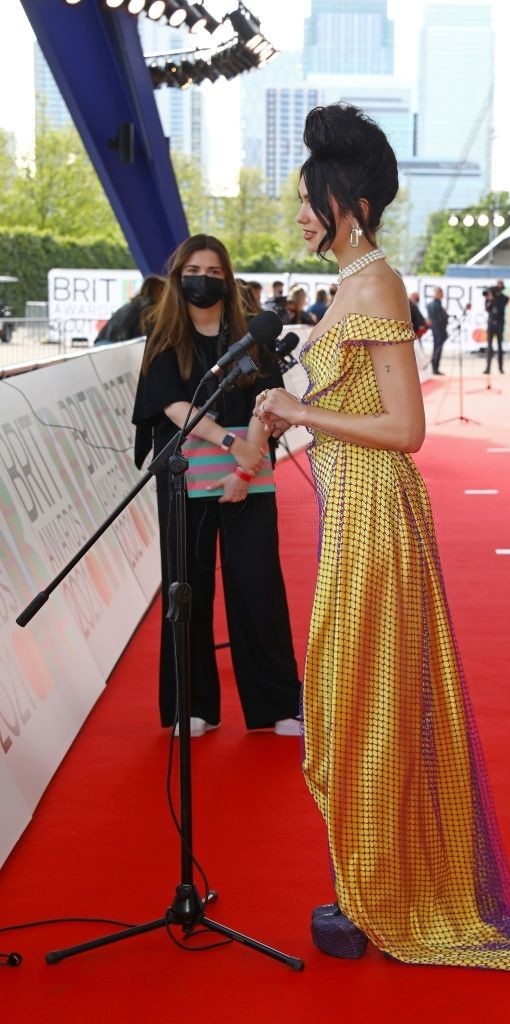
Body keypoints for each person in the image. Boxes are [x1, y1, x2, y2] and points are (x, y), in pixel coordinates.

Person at [255, 103, 510, 982]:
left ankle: (385, 893)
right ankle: (367, 881)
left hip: (378, 516)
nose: (302, 214)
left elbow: (406, 429)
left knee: (371, 703)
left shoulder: (376, 286)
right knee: (352, 701)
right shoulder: (348, 286)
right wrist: (283, 415)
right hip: (351, 517)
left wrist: (299, 408)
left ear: (352, 204)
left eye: (312, 199)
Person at [132, 234, 301, 738]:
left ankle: (276, 704)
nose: (202, 280)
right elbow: (171, 404)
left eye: (212, 272)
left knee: (258, 587)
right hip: (185, 479)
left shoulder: (252, 335)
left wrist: (246, 467)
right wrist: (231, 444)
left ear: (227, 279)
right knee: (187, 590)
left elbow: (269, 400)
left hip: (251, 478)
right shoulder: (163, 334)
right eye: (192, 272)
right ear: (177, 277)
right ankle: (192, 704)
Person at [95, 274, 165, 344]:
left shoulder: (135, 304)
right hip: (113, 343)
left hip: (104, 342)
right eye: (163, 289)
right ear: (158, 290)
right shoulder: (146, 308)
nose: (166, 295)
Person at [484, 280, 508, 374]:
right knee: (489, 346)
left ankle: (500, 367)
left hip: (500, 323)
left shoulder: (504, 298)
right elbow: (487, 308)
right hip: (491, 323)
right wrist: (490, 299)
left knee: (500, 346)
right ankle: (488, 368)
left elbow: (501, 306)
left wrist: (495, 297)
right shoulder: (490, 297)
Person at [426, 286, 449, 375]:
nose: (442, 295)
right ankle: (435, 368)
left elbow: (431, 319)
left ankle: (434, 368)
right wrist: (446, 316)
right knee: (437, 349)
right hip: (440, 331)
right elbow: (441, 319)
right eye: (441, 293)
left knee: (436, 348)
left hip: (435, 330)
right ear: (438, 293)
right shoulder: (437, 305)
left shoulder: (429, 305)